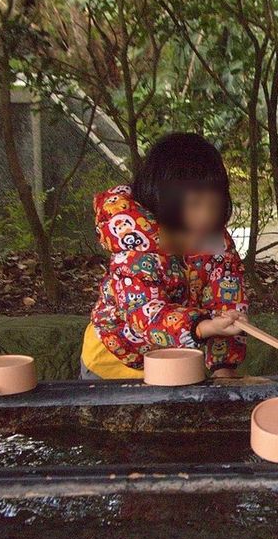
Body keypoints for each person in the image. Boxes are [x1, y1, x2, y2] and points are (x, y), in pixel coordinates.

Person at [80, 133, 248, 380]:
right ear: (164, 198)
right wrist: (201, 327)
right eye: (195, 203)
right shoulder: (135, 243)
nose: (205, 216)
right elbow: (144, 312)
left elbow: (228, 305)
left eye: (213, 204)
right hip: (114, 361)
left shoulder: (216, 243)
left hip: (177, 360)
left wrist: (224, 365)